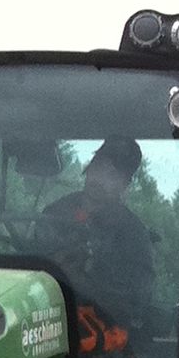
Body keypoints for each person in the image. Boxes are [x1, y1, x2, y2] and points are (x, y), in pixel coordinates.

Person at [38, 137, 153, 331]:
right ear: (89, 168)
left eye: (112, 174)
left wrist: (79, 280)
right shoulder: (54, 212)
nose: (100, 179)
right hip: (40, 315)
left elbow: (136, 303)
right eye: (98, 167)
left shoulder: (133, 235)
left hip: (97, 334)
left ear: (125, 184)